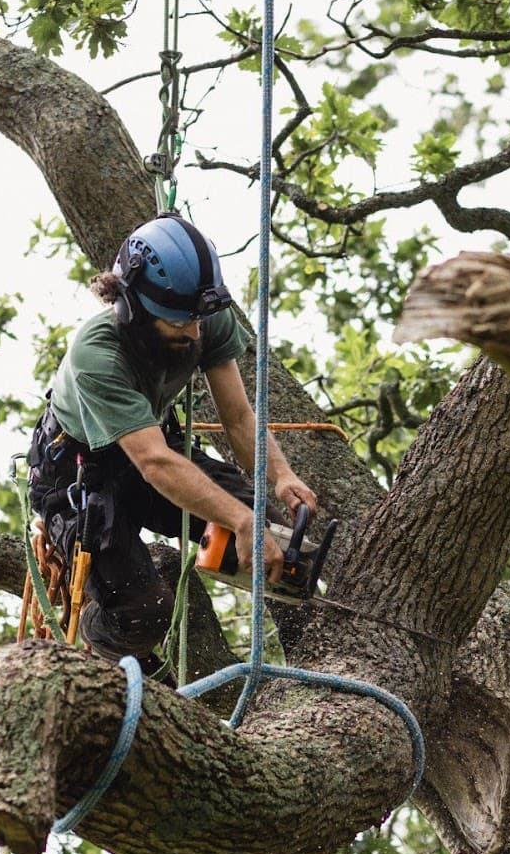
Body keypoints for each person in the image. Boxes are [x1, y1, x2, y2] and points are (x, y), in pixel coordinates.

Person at [27, 213, 318, 669]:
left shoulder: (200, 314)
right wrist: (239, 520)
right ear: (131, 307)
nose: (194, 332)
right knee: (143, 612)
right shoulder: (96, 354)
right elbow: (155, 465)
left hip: (151, 452)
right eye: (179, 322)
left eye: (199, 320)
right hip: (82, 477)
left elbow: (239, 419)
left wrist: (280, 476)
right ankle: (96, 635)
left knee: (275, 536)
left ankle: (314, 655)